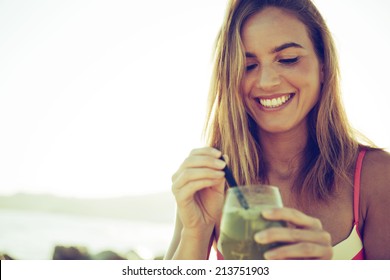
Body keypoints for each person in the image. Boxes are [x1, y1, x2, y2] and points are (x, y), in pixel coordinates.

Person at [165, 0, 390, 260]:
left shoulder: (378, 177)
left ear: (323, 65)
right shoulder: (212, 180)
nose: (267, 82)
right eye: (248, 66)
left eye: (288, 59)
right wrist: (196, 230)